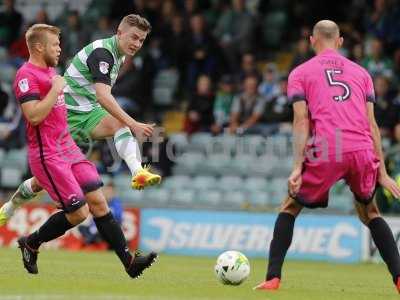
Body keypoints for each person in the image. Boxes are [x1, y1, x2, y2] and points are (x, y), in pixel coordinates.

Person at [254, 20, 400, 292]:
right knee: (370, 212)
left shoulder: (300, 73)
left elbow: (301, 121)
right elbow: (372, 125)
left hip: (328, 148)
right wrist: (382, 172)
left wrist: (298, 166)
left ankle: (273, 278)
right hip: (362, 149)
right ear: (340, 41)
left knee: (289, 207)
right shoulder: (362, 73)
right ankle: (399, 278)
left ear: (312, 41)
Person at [12, 23, 157, 278]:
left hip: (76, 129)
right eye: (134, 37)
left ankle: (129, 262)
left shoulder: (109, 57)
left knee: (99, 203)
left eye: (142, 40)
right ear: (119, 33)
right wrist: (134, 123)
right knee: (72, 207)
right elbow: (37, 115)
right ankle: (26, 234)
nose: (137, 43)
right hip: (59, 137)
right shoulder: (100, 55)